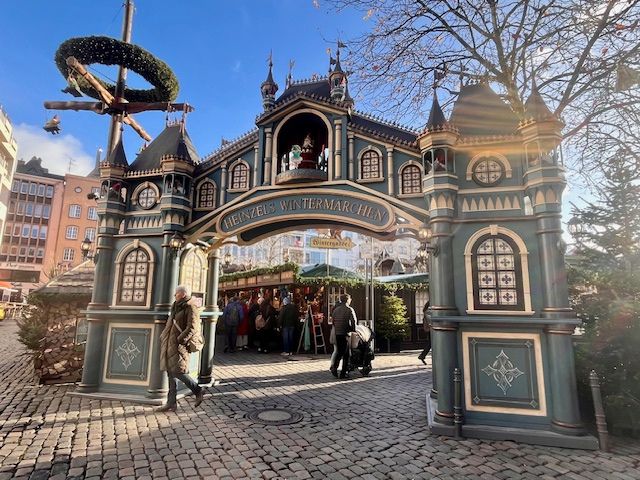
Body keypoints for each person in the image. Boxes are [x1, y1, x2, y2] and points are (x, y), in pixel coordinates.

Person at [158, 285, 204, 412]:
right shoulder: (175, 305)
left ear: (183, 294)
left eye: (176, 293)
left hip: (179, 345)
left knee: (179, 371)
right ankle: (171, 402)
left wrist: (180, 339)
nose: (174, 295)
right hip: (169, 343)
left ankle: (198, 390)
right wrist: (165, 337)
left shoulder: (190, 306)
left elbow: (192, 327)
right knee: (170, 372)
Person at [330, 293, 357, 379]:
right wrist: (353, 329)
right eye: (350, 299)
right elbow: (353, 321)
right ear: (348, 300)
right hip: (346, 333)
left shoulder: (336, 310)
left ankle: (336, 368)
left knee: (340, 351)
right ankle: (341, 372)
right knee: (346, 354)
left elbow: (333, 321)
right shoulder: (349, 309)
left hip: (338, 333)